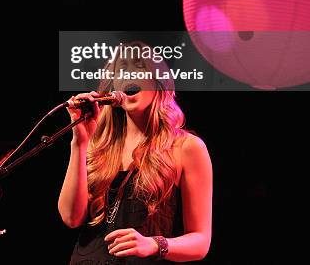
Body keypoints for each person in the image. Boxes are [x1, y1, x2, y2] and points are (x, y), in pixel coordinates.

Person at [58, 41, 212, 263]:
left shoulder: (186, 147)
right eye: (120, 70)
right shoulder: (99, 145)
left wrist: (153, 244)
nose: (128, 74)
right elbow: (71, 218)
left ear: (157, 83)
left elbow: (200, 241)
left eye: (139, 67)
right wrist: (80, 142)